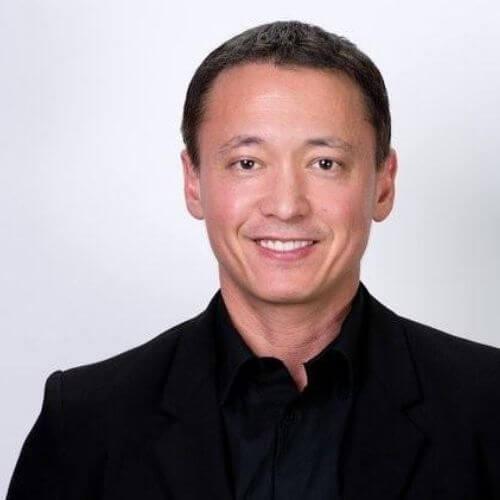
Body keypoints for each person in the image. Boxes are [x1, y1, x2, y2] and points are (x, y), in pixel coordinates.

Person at [7, 20, 500, 500]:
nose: (286, 206)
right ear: (193, 182)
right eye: (247, 163)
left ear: (383, 184)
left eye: (324, 163)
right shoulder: (85, 421)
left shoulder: (488, 405)